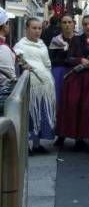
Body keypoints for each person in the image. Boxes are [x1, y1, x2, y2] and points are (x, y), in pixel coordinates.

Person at [56, 15, 89, 151]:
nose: (88, 26)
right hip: (77, 78)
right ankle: (78, 138)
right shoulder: (76, 39)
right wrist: (80, 60)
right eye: (85, 24)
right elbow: (68, 58)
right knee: (75, 106)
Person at [14, 18, 56, 154]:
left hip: (45, 87)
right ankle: (26, 146)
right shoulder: (20, 46)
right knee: (29, 116)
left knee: (41, 115)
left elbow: (47, 63)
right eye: (34, 28)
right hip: (30, 87)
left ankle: (37, 145)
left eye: (39, 28)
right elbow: (19, 63)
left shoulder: (42, 44)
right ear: (27, 29)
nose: (37, 31)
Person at [48, 14, 75, 147]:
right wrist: (66, 59)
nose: (67, 25)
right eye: (64, 22)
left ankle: (77, 136)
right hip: (59, 73)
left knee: (74, 104)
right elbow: (51, 59)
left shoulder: (78, 39)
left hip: (75, 74)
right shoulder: (55, 40)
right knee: (60, 104)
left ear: (74, 23)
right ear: (60, 24)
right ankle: (60, 135)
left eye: (69, 22)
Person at [0, 7, 16, 81]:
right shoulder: (3, 48)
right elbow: (9, 78)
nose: (9, 25)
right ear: (4, 25)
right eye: (8, 22)